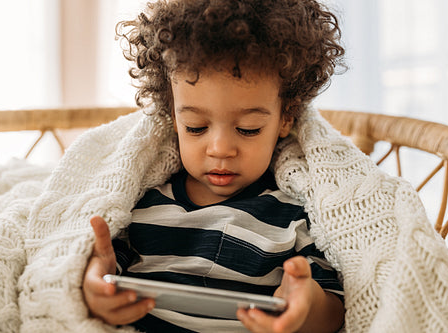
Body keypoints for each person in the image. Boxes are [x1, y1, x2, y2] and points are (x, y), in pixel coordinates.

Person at [83, 0, 346, 332]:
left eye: (248, 129)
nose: (220, 149)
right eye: (195, 127)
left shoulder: (293, 215)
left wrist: (306, 304)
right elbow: (104, 280)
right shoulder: (143, 205)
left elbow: (336, 311)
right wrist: (97, 287)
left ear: (285, 120)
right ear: (173, 119)